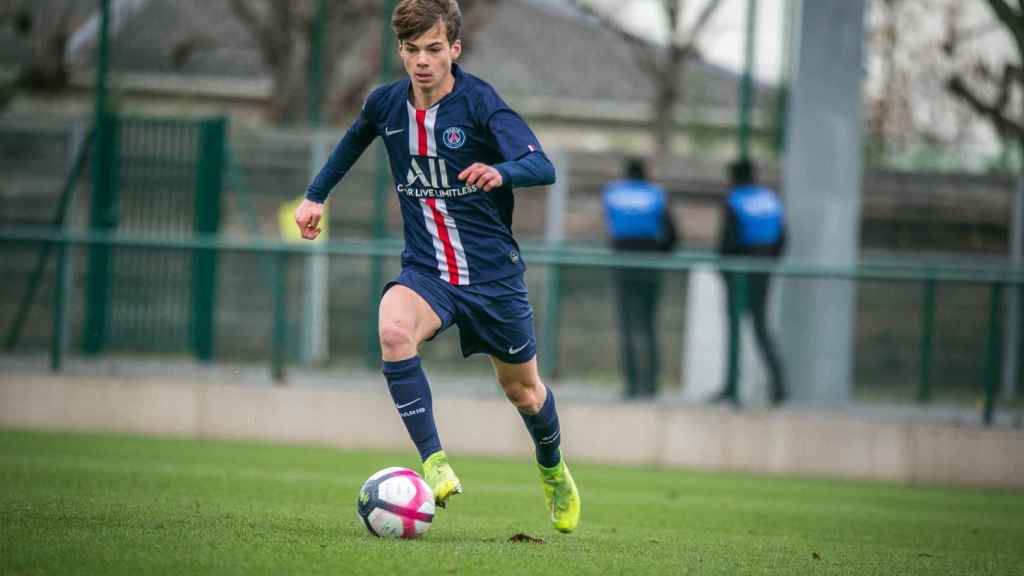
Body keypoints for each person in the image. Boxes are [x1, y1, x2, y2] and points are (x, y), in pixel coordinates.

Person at [294, 0, 579, 533]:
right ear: (399, 51)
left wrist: (502, 171)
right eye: (411, 50)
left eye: (433, 49)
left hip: (493, 278)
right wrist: (315, 196)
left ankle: (553, 468)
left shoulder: (480, 103)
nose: (422, 61)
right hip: (427, 272)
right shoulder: (385, 105)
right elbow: (351, 143)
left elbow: (542, 165)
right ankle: (434, 462)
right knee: (393, 330)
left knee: (523, 391)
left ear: (454, 48)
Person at [601, 158, 677, 399]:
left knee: (627, 324)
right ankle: (652, 383)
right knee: (649, 324)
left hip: (623, 260)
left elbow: (610, 228)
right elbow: (673, 234)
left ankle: (631, 384)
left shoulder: (612, 193)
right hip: (650, 261)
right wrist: (659, 253)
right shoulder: (657, 194)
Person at [715, 159, 787, 406]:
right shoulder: (770, 200)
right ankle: (779, 386)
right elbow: (783, 238)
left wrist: (724, 271)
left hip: (740, 271)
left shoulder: (735, 200)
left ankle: (731, 387)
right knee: (761, 328)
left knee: (735, 330)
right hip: (764, 269)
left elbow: (728, 242)